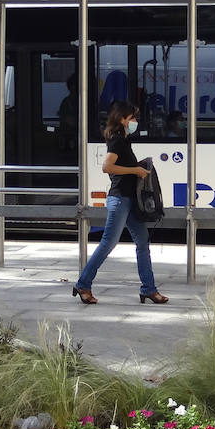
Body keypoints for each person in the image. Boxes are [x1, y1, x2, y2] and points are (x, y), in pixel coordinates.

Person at [70, 100, 168, 306]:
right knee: (108, 243)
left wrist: (139, 166)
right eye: (132, 118)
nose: (135, 121)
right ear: (122, 120)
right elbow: (107, 167)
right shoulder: (117, 141)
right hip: (120, 199)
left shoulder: (124, 141)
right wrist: (135, 170)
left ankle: (149, 289)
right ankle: (83, 284)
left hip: (129, 200)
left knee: (142, 243)